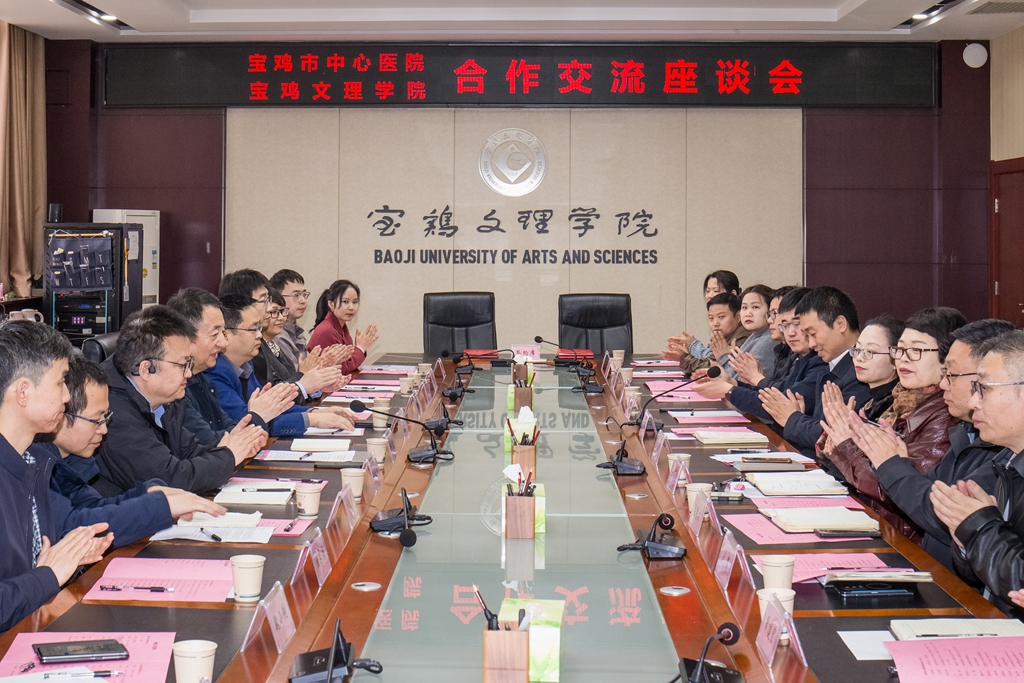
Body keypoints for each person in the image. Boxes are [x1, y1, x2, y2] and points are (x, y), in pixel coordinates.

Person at [847, 319, 1013, 570]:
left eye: (951, 374)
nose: (944, 384)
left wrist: (890, 463)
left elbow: (937, 512)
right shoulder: (967, 433)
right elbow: (932, 494)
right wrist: (897, 462)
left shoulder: (1000, 450)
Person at [40, 356, 226, 547]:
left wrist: (147, 493)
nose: (103, 429)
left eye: (106, 418)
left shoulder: (69, 461)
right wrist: (157, 506)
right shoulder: (37, 464)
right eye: (96, 420)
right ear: (59, 414)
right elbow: (75, 526)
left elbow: (91, 506)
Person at [0, 320, 113, 632]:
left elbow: (33, 572)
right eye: (61, 382)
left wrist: (70, 561)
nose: (66, 396)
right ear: (23, 392)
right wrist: (50, 574)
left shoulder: (32, 461)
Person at [821, 307, 967, 539]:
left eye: (916, 350)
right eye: (900, 349)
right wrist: (840, 437)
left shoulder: (945, 416)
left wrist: (847, 447)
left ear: (947, 360)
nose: (903, 358)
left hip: (902, 538)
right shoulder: (899, 401)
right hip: (876, 520)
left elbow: (902, 492)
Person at [93, 306, 267, 495]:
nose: (189, 373)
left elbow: (191, 451)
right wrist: (229, 455)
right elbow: (170, 480)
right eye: (183, 365)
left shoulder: (165, 398)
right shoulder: (112, 412)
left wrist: (236, 444)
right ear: (146, 369)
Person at [925, 330, 1024, 617]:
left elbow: (1018, 582)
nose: (973, 402)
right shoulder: (1008, 463)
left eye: (984, 388)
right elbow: (987, 578)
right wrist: (965, 540)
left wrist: (979, 527)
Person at [206, 295, 355, 437]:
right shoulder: (215, 372)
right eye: (253, 329)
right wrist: (312, 419)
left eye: (259, 328)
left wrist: (315, 412)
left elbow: (272, 409)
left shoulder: (245, 364)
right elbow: (248, 422)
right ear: (226, 334)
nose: (259, 335)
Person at [167, 287, 296, 447]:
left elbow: (228, 427)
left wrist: (258, 415)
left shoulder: (200, 377)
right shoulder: (175, 388)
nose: (223, 343)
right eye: (215, 334)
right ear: (185, 336)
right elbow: (210, 443)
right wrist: (258, 415)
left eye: (223, 333)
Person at [759, 286, 872, 456]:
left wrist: (793, 418)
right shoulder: (830, 365)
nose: (811, 344)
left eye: (813, 334)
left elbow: (830, 436)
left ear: (840, 324)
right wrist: (799, 417)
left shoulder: (860, 372)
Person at [694, 287, 827, 427]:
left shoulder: (816, 361)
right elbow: (777, 391)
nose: (771, 320)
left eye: (796, 324)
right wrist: (731, 383)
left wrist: (734, 387)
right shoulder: (797, 355)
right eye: (786, 325)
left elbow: (780, 401)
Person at [660, 270, 741, 363]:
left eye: (716, 291)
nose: (710, 296)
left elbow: (712, 360)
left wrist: (691, 346)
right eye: (708, 291)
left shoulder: (739, 327)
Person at [307, 280, 379, 375]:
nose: (351, 307)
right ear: (331, 304)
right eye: (345, 301)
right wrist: (360, 348)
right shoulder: (327, 330)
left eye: (355, 302)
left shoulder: (340, 326)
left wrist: (359, 348)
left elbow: (347, 361)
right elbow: (342, 368)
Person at [714, 284, 778, 381]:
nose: (748, 313)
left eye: (755, 307)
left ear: (770, 311)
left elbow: (737, 381)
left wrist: (724, 357)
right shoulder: (755, 335)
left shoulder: (767, 341)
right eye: (744, 307)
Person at [678, 293, 750, 377]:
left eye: (721, 317)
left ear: (738, 317)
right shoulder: (722, 336)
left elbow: (712, 369)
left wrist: (683, 358)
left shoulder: (741, 338)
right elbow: (709, 362)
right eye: (711, 318)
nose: (715, 323)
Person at [269, 269, 310, 367]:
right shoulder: (277, 335)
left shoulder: (296, 328)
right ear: (278, 298)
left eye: (304, 295)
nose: (303, 301)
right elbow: (297, 372)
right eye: (296, 295)